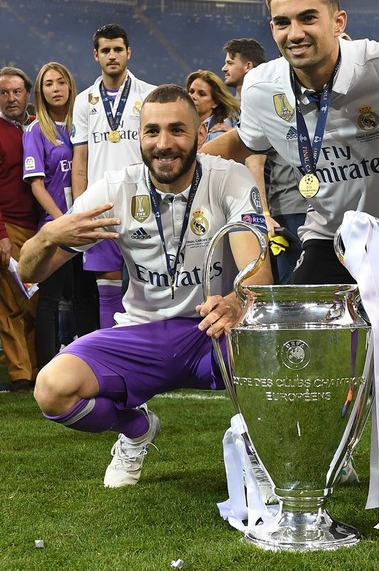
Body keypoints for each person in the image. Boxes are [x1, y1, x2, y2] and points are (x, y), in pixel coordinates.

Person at [201, 0, 379, 501]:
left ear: (338, 20)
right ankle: (334, 445)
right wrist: (179, 159)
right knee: (302, 343)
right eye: (281, 23)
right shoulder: (260, 86)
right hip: (332, 233)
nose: (293, 33)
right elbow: (246, 143)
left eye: (307, 18)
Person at [22, 84, 272, 487]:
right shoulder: (115, 188)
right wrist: (48, 236)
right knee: (52, 389)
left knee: (285, 354)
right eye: (152, 131)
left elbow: (258, 273)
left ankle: (263, 450)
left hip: (214, 329)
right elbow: (31, 272)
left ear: (201, 135)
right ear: (140, 138)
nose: (164, 143)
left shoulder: (230, 179)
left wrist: (236, 299)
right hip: (142, 334)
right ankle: (136, 429)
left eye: (177, 130)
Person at [71, 24, 156, 329]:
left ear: (128, 52)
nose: (112, 55)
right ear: (96, 55)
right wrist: (81, 209)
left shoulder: (149, 95)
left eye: (118, 49)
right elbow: (79, 161)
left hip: (143, 202)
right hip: (102, 205)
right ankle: (111, 357)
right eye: (105, 50)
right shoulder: (84, 101)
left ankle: (148, 352)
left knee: (148, 286)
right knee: (106, 290)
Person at [23, 62, 98, 371]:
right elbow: (36, 185)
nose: (55, 88)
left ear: (70, 87)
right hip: (56, 227)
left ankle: (90, 363)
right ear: (41, 92)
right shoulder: (35, 130)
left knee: (85, 295)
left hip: (88, 224)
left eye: (60, 82)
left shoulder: (83, 124)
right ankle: (48, 369)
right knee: (51, 300)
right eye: (48, 84)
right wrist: (63, 220)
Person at [222, 38, 308, 286]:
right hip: (279, 207)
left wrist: (263, 213)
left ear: (249, 66)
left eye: (230, 62)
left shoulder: (268, 97)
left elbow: (255, 163)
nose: (224, 68)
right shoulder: (248, 106)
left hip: (290, 207)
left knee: (294, 287)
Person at [0, 67, 40, 392]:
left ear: (27, 94)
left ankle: (33, 365)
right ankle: (20, 375)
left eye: (17, 92)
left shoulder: (35, 127)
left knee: (34, 302)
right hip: (10, 228)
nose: (11, 98)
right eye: (4, 92)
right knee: (14, 303)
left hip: (40, 228)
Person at [184, 70, 240, 145]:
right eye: (191, 91)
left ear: (215, 103)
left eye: (201, 94)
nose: (193, 96)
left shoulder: (218, 134)